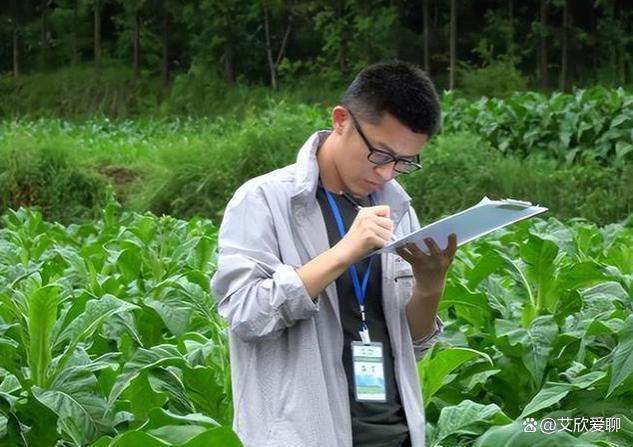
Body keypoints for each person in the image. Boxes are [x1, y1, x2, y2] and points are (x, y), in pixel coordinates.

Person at [211, 61, 457, 447]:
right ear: (341, 120)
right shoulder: (263, 200)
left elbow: (411, 345)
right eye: (380, 154)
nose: (388, 173)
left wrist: (430, 287)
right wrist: (342, 253)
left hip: (395, 434)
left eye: (405, 162)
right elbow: (245, 314)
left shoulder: (398, 209)